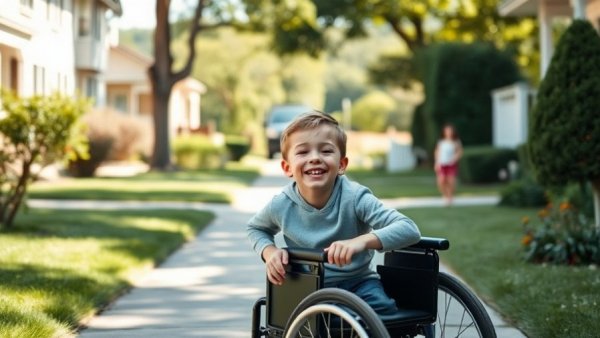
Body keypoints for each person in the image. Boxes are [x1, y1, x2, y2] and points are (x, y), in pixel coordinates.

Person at [247, 111, 421, 319]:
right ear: (287, 167)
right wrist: (270, 252)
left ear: (342, 164)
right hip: (308, 288)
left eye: (326, 151)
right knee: (319, 319)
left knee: (383, 312)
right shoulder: (282, 204)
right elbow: (255, 228)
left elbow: (409, 228)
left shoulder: (355, 197)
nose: (314, 158)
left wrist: (361, 241)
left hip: (360, 283)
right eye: (303, 152)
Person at [434, 124, 463, 206]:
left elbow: (460, 152)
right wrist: (437, 162)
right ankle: (445, 195)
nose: (448, 132)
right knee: (441, 181)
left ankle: (450, 197)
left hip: (451, 164)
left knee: (451, 181)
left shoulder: (456, 141)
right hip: (442, 163)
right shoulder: (441, 142)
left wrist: (454, 158)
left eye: (450, 131)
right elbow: (437, 152)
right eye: (447, 131)